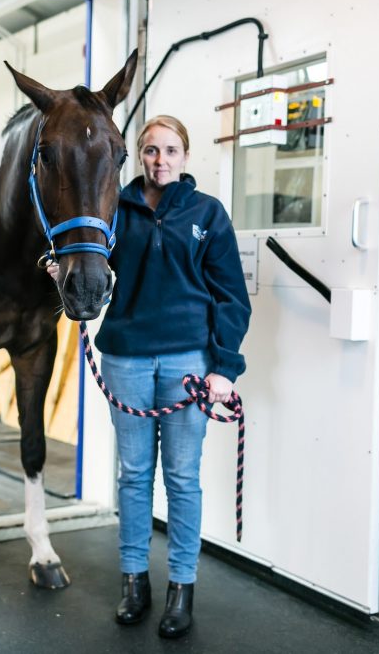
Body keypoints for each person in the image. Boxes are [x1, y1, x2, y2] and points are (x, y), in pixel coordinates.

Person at [50, 115, 251, 638]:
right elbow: (94, 257)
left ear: (185, 156)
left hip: (190, 365)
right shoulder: (115, 207)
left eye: (170, 150)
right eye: (150, 151)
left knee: (183, 480)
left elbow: (233, 298)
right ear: (138, 156)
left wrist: (224, 369)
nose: (160, 160)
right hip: (127, 359)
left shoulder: (208, 213)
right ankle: (133, 583)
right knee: (134, 478)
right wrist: (65, 269)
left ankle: (181, 589)